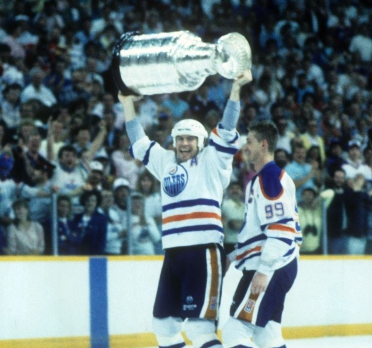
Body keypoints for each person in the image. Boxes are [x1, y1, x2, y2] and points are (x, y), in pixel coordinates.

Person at [120, 69, 252, 348]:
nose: (183, 143)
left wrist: (237, 88)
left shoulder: (213, 161)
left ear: (201, 142)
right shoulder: (165, 163)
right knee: (164, 327)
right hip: (174, 252)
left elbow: (227, 127)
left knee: (199, 330)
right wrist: (126, 102)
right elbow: (139, 141)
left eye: (190, 138)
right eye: (180, 138)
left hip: (203, 251)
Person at [221, 120, 301, 348]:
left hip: (270, 266)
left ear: (263, 145)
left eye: (249, 142)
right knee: (268, 335)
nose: (245, 147)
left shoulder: (268, 179)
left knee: (234, 332)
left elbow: (280, 229)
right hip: (279, 263)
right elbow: (259, 232)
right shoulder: (273, 177)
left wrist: (264, 271)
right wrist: (234, 256)